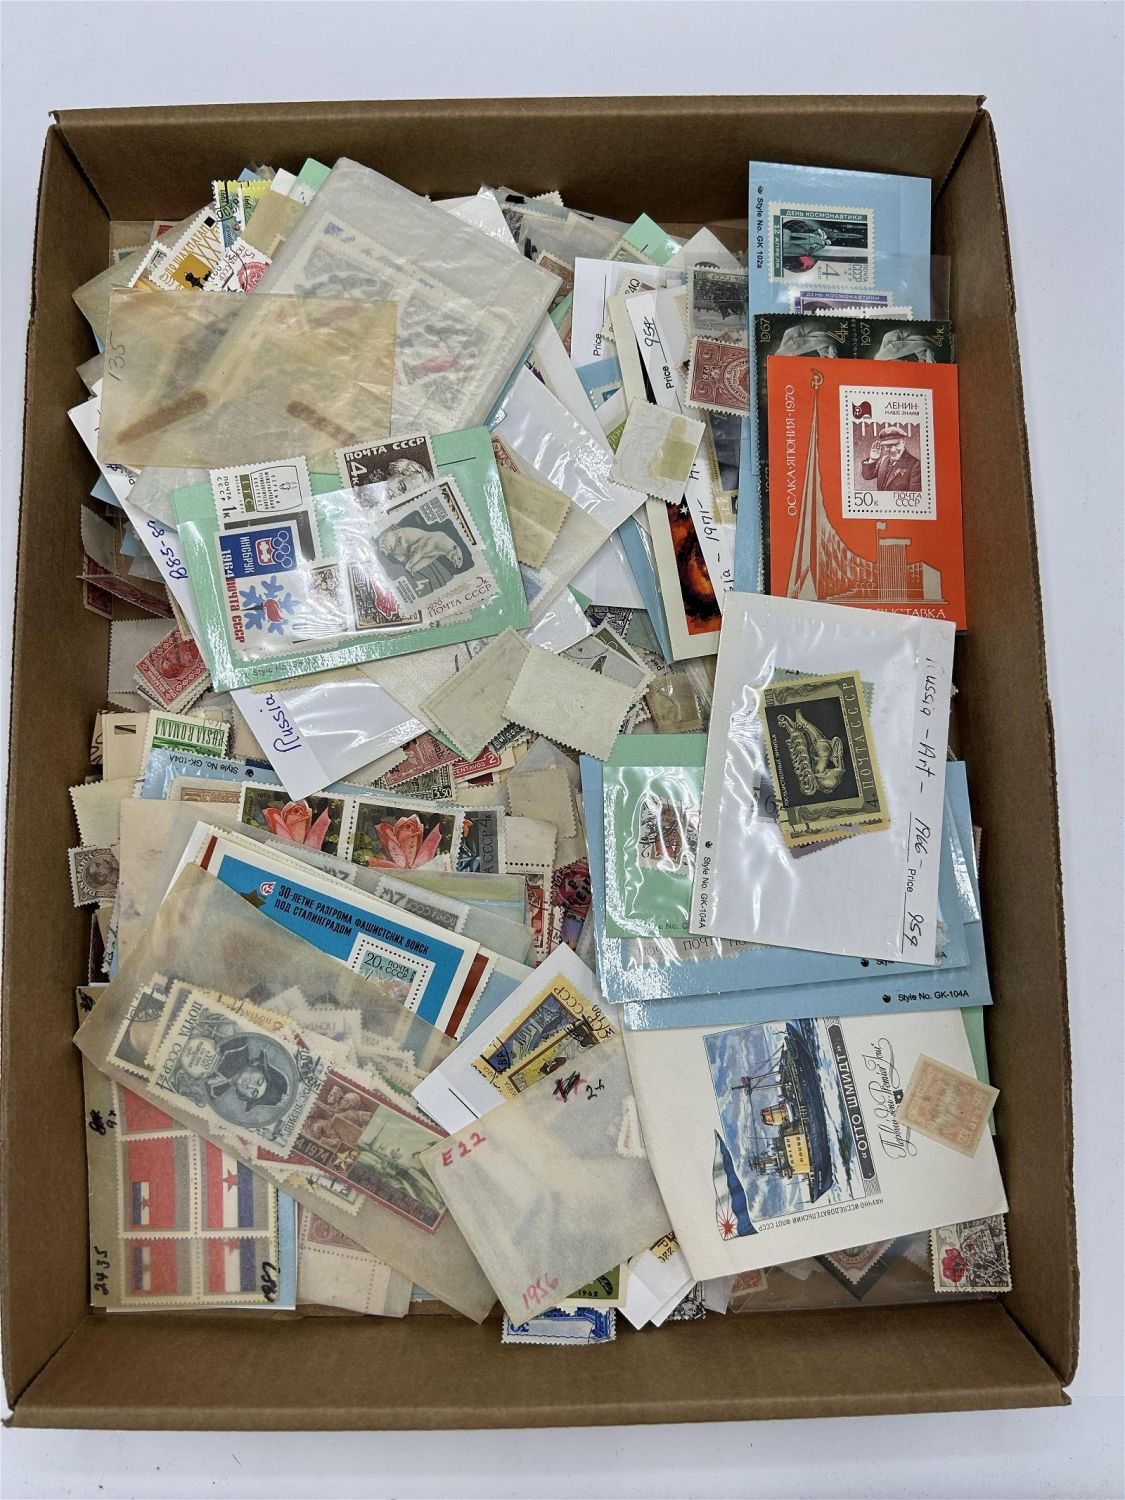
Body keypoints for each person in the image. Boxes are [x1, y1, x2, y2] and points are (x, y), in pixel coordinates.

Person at [860, 426, 923, 491]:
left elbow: (915, 494)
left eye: (896, 445)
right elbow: (867, 476)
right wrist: (872, 459)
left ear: (903, 442)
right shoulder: (883, 460)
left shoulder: (915, 465)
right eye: (888, 446)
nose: (893, 450)